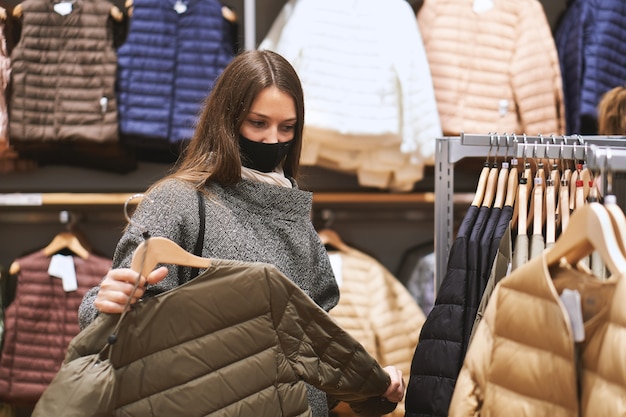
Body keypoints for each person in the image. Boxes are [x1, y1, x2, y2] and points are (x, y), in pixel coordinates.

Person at [78, 49, 404, 416]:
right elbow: (122, 327)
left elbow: (310, 362)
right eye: (258, 123)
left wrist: (371, 383)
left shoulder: (294, 216)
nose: (272, 140)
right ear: (228, 120)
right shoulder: (180, 201)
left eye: (287, 127)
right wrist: (104, 304)